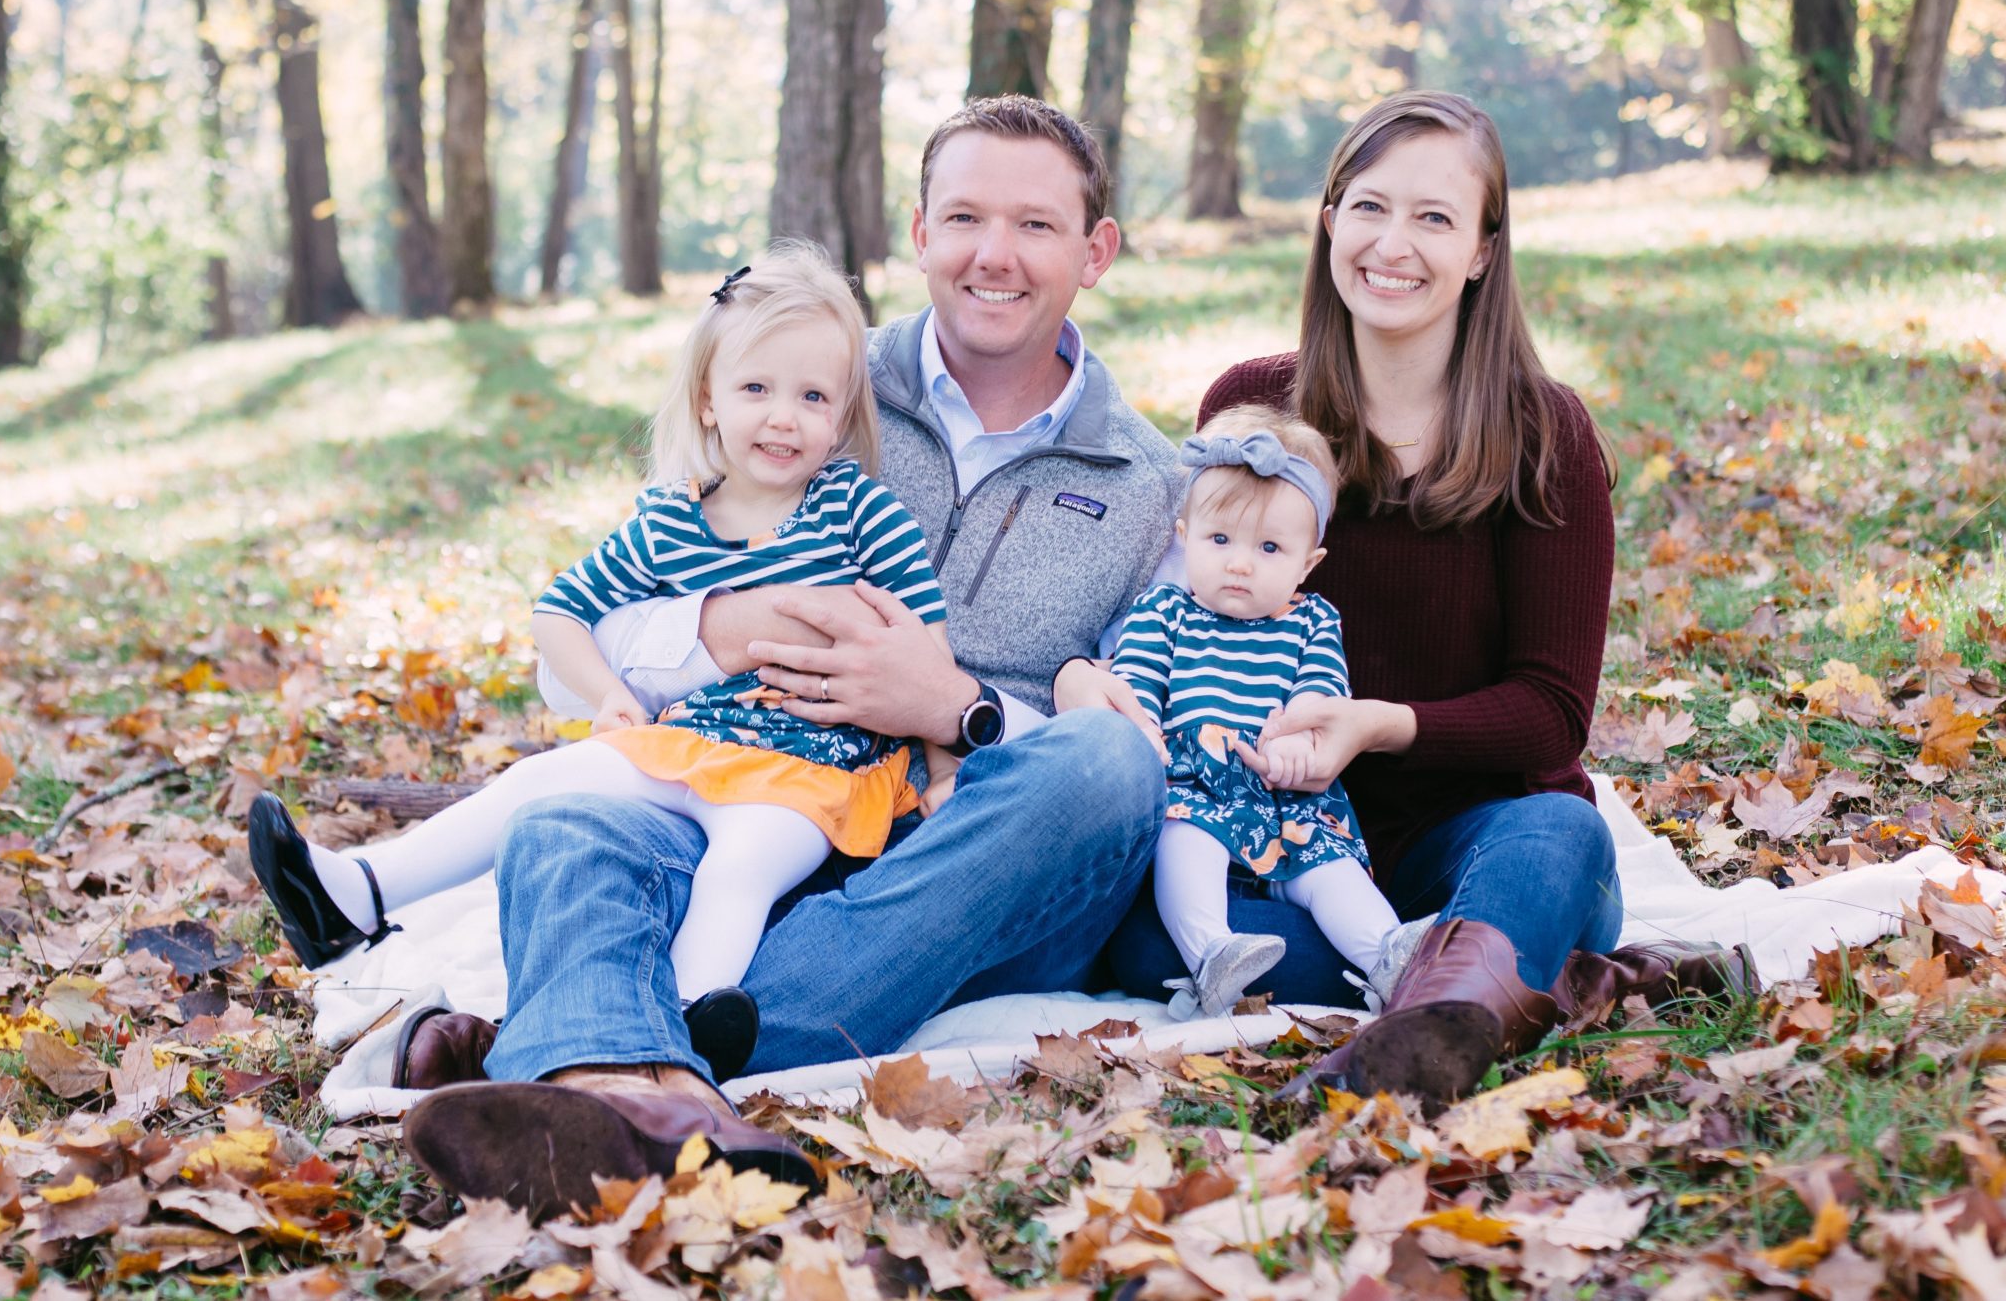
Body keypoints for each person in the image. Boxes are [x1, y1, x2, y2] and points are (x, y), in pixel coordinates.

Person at [393, 96, 1187, 1220]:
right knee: (567, 823)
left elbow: (1135, 743)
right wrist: (726, 629)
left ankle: (583, 1032)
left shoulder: (1149, 485)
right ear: (917, 232)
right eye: (963, 216)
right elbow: (589, 626)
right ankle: (651, 1102)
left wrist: (958, 708)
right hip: (752, 804)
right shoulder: (796, 377)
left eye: (1036, 225)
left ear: (1095, 251)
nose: (992, 255)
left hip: (951, 868)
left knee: (1105, 763)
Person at [1095, 90, 1740, 1104]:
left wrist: (1370, 725)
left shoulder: (1543, 435)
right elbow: (1177, 610)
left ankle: (1420, 1036)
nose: (1394, 243)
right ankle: (1545, 988)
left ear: (1484, 249)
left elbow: (1550, 714)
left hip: (1481, 847)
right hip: (1285, 846)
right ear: (1329, 221)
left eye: (1435, 218)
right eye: (1369, 206)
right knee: (1142, 934)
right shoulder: (1255, 406)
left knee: (1561, 840)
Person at [245, 242, 948, 1082]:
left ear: (842, 414)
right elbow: (558, 611)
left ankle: (692, 1020)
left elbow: (924, 651)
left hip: (819, 763)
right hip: (694, 742)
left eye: (812, 396)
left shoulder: (856, 509)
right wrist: (610, 692)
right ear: (709, 398)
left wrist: (940, 767)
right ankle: (357, 891)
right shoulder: (672, 520)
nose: (783, 417)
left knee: (742, 868)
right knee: (538, 783)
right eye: (756, 388)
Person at [1077, 405, 1424, 1019]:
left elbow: (1320, 697)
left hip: (1284, 790)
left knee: (1329, 869)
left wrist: (1298, 746)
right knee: (1186, 841)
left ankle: (1388, 957)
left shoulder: (1312, 620)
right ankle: (1213, 952)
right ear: (1183, 539)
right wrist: (1145, 737)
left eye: (1269, 547)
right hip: (1193, 781)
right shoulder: (1164, 611)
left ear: (1308, 563)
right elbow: (1137, 686)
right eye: (1219, 540)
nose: (1240, 563)